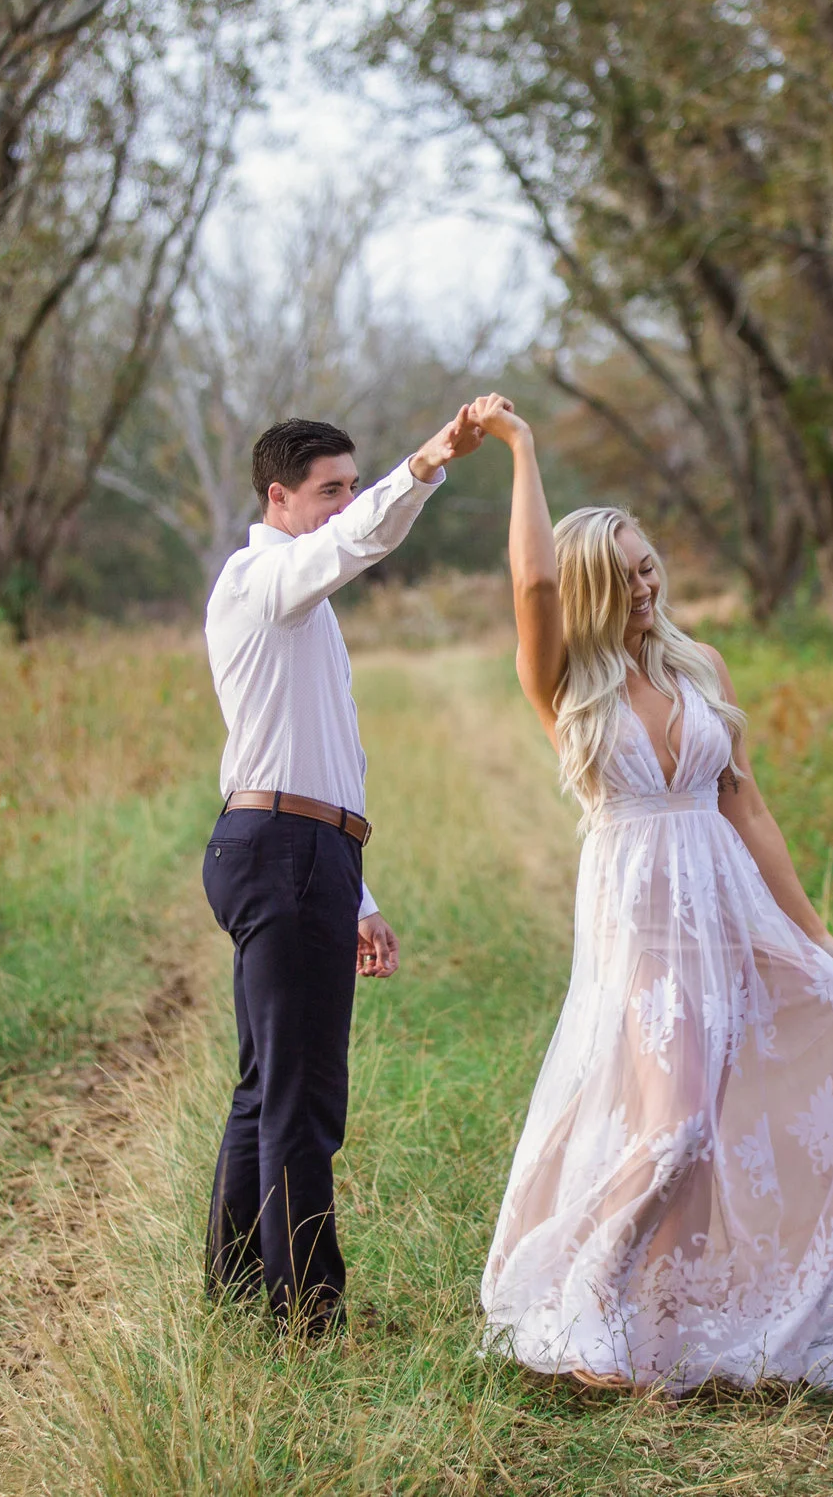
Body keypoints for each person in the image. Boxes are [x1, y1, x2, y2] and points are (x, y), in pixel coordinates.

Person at [469, 392, 833, 1394]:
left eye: (649, 565)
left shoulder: (701, 668)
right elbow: (529, 580)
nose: (645, 586)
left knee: (713, 1123)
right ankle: (584, 1293)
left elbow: (748, 806)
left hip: (723, 906)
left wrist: (814, 933)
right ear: (589, 591)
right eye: (622, 575)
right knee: (677, 1120)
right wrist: (520, 448)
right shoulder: (568, 683)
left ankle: (669, 1325)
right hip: (639, 916)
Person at [199, 407, 488, 1335]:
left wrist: (358, 894)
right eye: (331, 489)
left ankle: (239, 1291)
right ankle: (308, 1317)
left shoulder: (303, 606)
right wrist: (431, 461)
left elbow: (322, 759)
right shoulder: (263, 578)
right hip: (278, 849)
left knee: (268, 1085)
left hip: (305, 849)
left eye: (353, 486)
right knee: (303, 1097)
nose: (347, 505)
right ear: (277, 499)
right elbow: (361, 539)